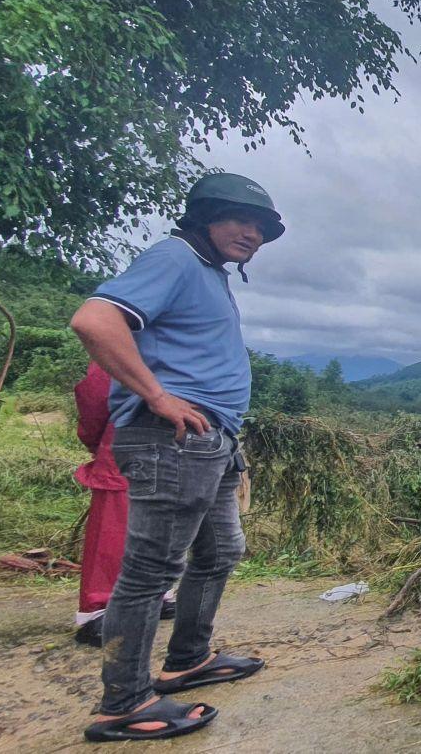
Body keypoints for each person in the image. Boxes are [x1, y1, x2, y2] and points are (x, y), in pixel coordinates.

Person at [69, 173, 283, 743]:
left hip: (210, 440)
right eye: (240, 220)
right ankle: (124, 702)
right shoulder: (175, 259)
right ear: (204, 217)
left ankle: (188, 659)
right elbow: (95, 319)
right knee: (151, 570)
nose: (252, 234)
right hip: (171, 439)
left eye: (260, 228)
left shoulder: (210, 272)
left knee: (220, 551)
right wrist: (158, 396)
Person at [71, 362, 177, 647]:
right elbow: (96, 394)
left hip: (169, 443)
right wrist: (95, 439)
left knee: (162, 524)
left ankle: (158, 593)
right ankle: (100, 608)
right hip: (125, 440)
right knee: (113, 529)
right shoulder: (121, 346)